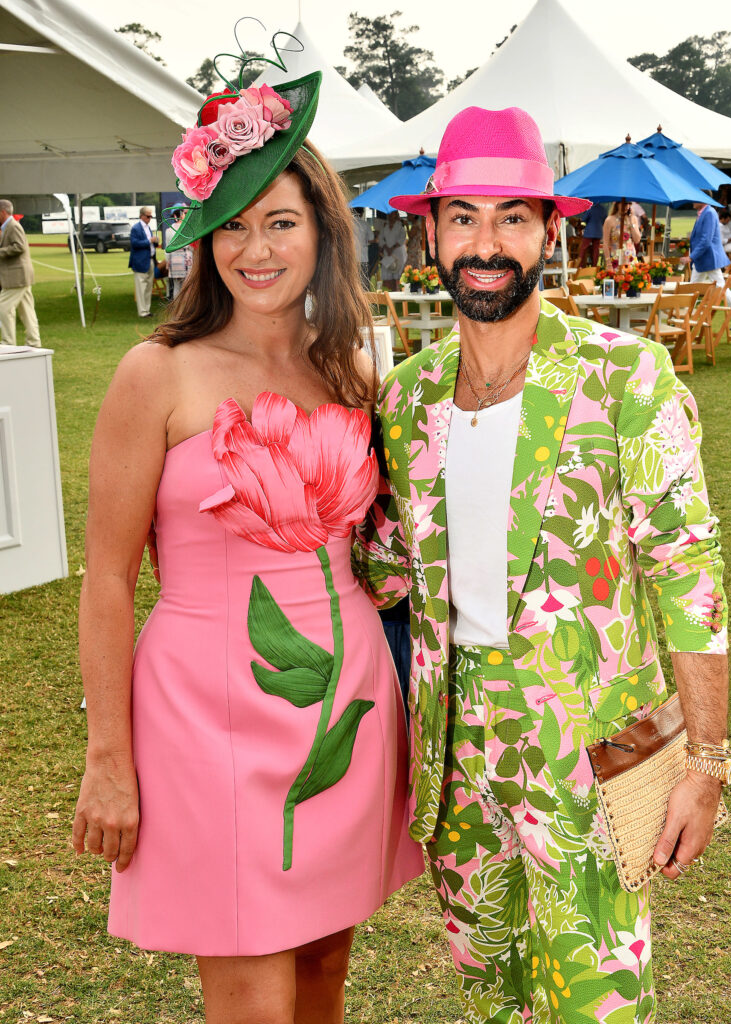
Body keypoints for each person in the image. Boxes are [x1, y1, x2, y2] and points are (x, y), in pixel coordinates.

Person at [354, 105, 731, 1024]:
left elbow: (687, 573)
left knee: (597, 997)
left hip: (587, 744)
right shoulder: (403, 399)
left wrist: (707, 763)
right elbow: (385, 573)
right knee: (492, 991)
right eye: (465, 218)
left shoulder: (625, 376)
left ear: (549, 231)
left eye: (511, 217)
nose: (487, 243)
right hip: (454, 745)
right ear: (429, 230)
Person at [72, 65, 422, 1024]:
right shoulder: (158, 374)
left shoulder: (351, 367)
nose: (255, 249)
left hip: (344, 709)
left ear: (323, 233)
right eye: (233, 223)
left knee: (322, 977)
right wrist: (109, 756)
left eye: (279, 221)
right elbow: (106, 581)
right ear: (202, 238)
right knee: (252, 993)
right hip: (202, 717)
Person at [0, 200, 41, 347]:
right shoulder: (7, 227)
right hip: (20, 276)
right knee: (27, 311)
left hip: (16, 277)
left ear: (3, 212)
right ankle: (34, 342)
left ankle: (8, 342)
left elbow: (19, 247)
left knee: (3, 308)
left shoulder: (13, 226)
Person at [686, 198, 731, 312]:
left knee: (720, 287)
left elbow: (706, 240)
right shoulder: (704, 213)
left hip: (709, 259)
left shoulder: (709, 213)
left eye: (695, 197)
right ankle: (687, 318)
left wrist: (691, 256)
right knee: (692, 288)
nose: (692, 200)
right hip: (702, 259)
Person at [128, 206, 158, 318]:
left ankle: (147, 310)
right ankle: (142, 312)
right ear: (142, 216)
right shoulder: (136, 228)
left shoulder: (148, 228)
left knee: (149, 287)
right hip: (140, 261)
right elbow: (134, 243)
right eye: (148, 216)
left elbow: (149, 243)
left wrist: (154, 242)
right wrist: (149, 241)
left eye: (151, 216)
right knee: (141, 288)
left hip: (150, 260)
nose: (149, 218)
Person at [164, 203, 194, 301]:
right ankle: (185, 306)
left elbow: (167, 248)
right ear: (181, 215)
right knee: (187, 285)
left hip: (174, 258)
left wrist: (167, 261)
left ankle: (177, 306)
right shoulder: (187, 228)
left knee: (177, 285)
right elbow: (191, 245)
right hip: (186, 257)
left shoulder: (168, 230)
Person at [602, 200, 641, 267]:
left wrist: (631, 222)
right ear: (617, 204)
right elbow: (605, 243)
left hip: (630, 260)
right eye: (625, 204)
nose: (627, 206)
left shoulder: (633, 219)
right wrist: (608, 263)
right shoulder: (609, 220)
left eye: (629, 204)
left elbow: (637, 240)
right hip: (615, 260)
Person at [380, 209, 407, 290]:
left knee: (397, 272)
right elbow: (381, 238)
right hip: (387, 252)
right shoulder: (385, 226)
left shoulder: (400, 226)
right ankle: (389, 291)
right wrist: (385, 247)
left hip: (398, 252)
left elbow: (402, 238)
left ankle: (398, 291)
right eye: (389, 214)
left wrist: (392, 248)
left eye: (393, 214)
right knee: (387, 271)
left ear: (396, 215)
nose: (391, 216)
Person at [578, 201, 606, 267]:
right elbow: (605, 219)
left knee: (583, 248)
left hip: (589, 232)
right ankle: (594, 266)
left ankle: (580, 265)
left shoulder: (590, 207)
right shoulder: (603, 209)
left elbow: (584, 219)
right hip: (598, 232)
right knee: (596, 250)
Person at [351, 206, 372, 289]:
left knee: (352, 281)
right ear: (362, 213)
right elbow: (371, 238)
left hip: (351, 257)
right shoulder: (365, 224)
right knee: (364, 282)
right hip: (363, 257)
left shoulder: (348, 223)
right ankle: (367, 300)